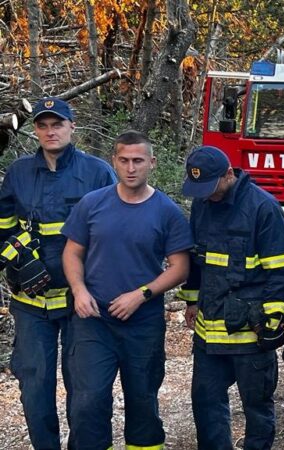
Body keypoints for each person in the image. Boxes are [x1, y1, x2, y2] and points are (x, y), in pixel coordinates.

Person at [61, 130, 192, 449]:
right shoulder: (92, 204)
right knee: (87, 403)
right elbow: (71, 252)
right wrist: (79, 290)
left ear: (152, 163)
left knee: (143, 404)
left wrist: (142, 294)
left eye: (138, 161)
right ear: (114, 162)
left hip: (143, 323)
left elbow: (180, 267)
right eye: (124, 160)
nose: (131, 167)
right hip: (93, 320)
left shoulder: (167, 211)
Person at [0, 97, 116, 449]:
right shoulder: (18, 173)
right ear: (35, 129)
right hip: (30, 302)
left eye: (57, 124)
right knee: (35, 386)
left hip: (81, 301)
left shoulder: (97, 172)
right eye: (43, 125)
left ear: (72, 127)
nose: (50, 131)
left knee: (86, 388)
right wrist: (16, 258)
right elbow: (3, 227)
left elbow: (114, 231)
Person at [178, 145, 284, 449]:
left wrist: (273, 320)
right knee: (206, 402)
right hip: (209, 332)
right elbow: (196, 259)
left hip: (249, 333)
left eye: (211, 186)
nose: (207, 195)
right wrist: (192, 300)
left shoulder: (262, 208)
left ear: (229, 173)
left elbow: (281, 271)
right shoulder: (204, 204)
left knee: (256, 407)